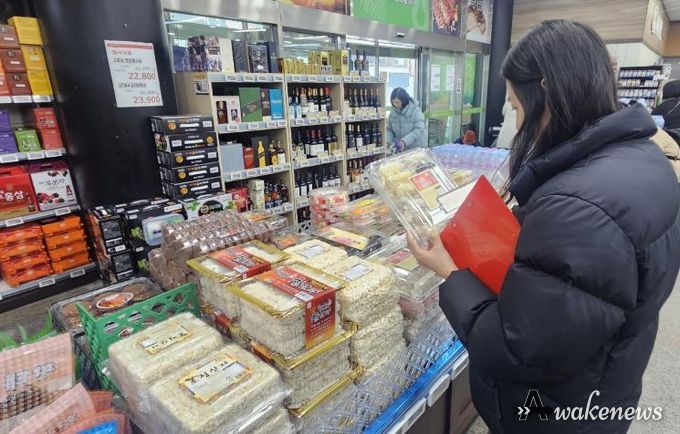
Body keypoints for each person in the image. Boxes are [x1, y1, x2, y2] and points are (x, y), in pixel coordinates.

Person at [408, 20, 680, 433]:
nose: (518, 125)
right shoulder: (646, 159)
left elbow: (515, 349)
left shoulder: (576, 207)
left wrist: (449, 270)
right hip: (606, 382)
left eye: (517, 108)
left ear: (547, 94)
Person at [386, 87, 426, 152]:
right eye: (394, 102)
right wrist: (387, 141)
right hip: (400, 148)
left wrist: (404, 141)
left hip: (415, 148)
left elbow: (419, 129)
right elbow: (389, 129)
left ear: (404, 100)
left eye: (398, 102)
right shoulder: (393, 112)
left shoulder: (415, 111)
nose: (396, 105)